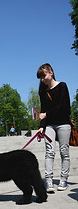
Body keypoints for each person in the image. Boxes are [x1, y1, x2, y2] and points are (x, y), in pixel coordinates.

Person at [36, 63, 71, 193]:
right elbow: (42, 111)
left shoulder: (62, 86)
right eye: (40, 78)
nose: (42, 80)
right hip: (49, 125)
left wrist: (46, 114)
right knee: (49, 152)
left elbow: (65, 107)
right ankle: (49, 181)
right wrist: (41, 127)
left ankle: (63, 179)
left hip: (63, 123)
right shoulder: (43, 91)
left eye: (43, 76)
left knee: (64, 152)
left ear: (51, 72)